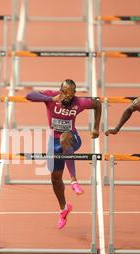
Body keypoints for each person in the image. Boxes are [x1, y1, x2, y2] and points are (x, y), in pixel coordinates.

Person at [26, 79, 102, 229]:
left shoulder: (79, 102)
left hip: (72, 139)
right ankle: (64, 209)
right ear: (60, 90)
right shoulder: (52, 97)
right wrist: (50, 99)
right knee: (55, 178)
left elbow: (97, 104)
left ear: (74, 93)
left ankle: (74, 181)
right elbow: (29, 95)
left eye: (70, 92)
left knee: (64, 138)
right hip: (53, 142)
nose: (67, 95)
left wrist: (96, 128)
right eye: (64, 91)